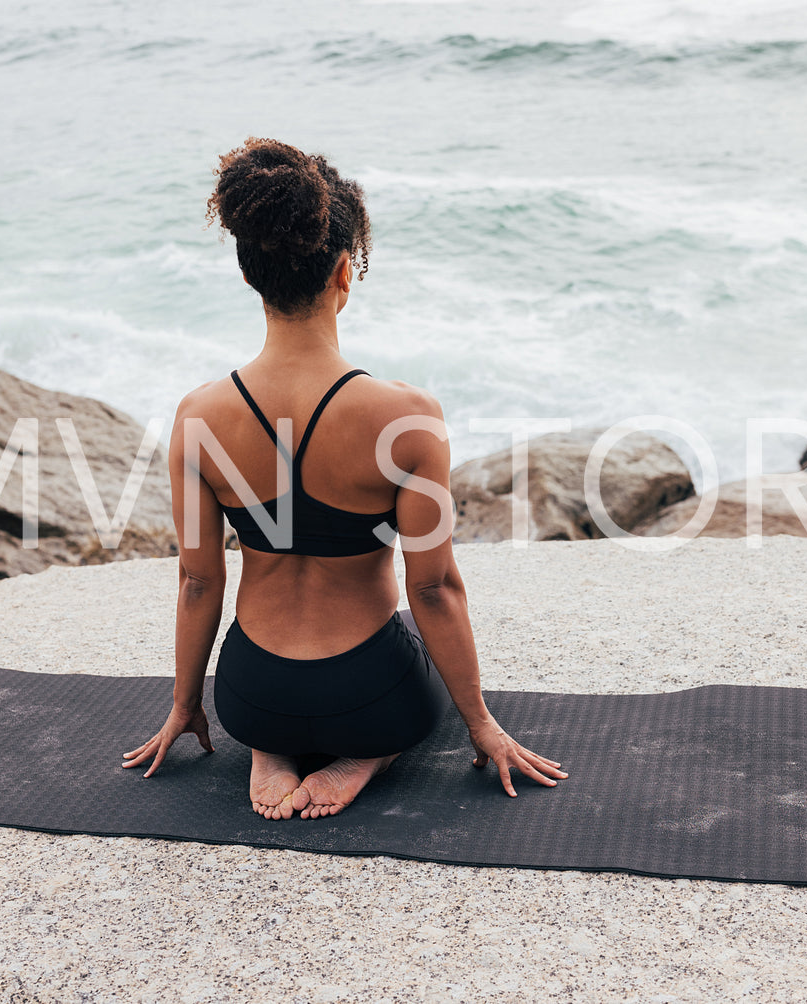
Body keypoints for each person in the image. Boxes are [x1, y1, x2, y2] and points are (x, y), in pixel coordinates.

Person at [123, 137, 567, 820]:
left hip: (250, 695)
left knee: (273, 706)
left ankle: (271, 750)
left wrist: (186, 707)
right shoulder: (405, 416)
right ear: (343, 274)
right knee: (413, 670)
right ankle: (366, 755)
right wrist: (480, 723)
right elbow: (434, 587)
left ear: (248, 276)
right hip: (368, 695)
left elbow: (198, 579)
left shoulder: (199, 415)